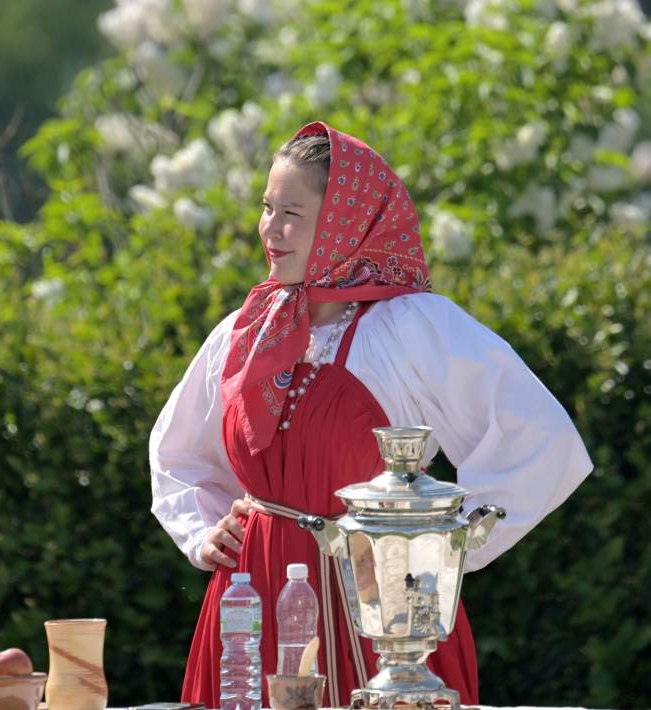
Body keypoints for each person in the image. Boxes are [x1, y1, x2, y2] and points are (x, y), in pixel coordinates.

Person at [149, 121, 593, 708]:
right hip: (248, 606)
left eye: (292, 213)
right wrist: (205, 531)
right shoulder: (249, 328)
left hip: (379, 612)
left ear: (342, 224)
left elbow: (540, 437)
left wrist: (443, 551)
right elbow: (178, 451)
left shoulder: (411, 327)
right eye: (266, 208)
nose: (270, 230)